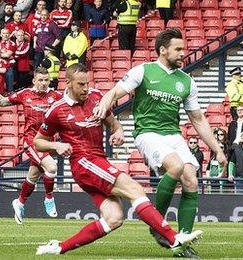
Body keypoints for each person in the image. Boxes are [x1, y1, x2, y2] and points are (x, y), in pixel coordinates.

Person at [33, 64, 201, 256]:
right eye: (81, 84)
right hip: (83, 163)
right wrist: (57, 146)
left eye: (87, 83)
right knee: (135, 190)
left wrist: (118, 133)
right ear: (68, 83)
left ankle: (59, 247)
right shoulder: (57, 110)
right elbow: (38, 142)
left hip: (98, 161)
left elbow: (114, 125)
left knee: (114, 218)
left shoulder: (96, 98)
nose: (86, 88)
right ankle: (173, 238)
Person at [93, 28, 226, 257]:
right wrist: (104, 104)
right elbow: (115, 92)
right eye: (178, 49)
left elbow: (198, 119)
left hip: (172, 135)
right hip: (148, 133)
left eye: (182, 49)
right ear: (163, 50)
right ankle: (158, 224)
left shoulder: (186, 81)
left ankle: (182, 242)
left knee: (191, 180)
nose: (182, 53)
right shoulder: (143, 71)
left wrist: (218, 150)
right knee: (175, 166)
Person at [0, 67, 62, 224]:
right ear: (34, 81)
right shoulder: (25, 94)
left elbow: (73, 104)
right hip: (32, 140)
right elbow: (2, 101)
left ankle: (20, 202)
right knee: (52, 168)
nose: (43, 83)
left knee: (33, 176)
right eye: (40, 80)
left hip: (48, 141)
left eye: (46, 80)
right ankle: (49, 198)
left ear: (50, 81)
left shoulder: (56, 96)